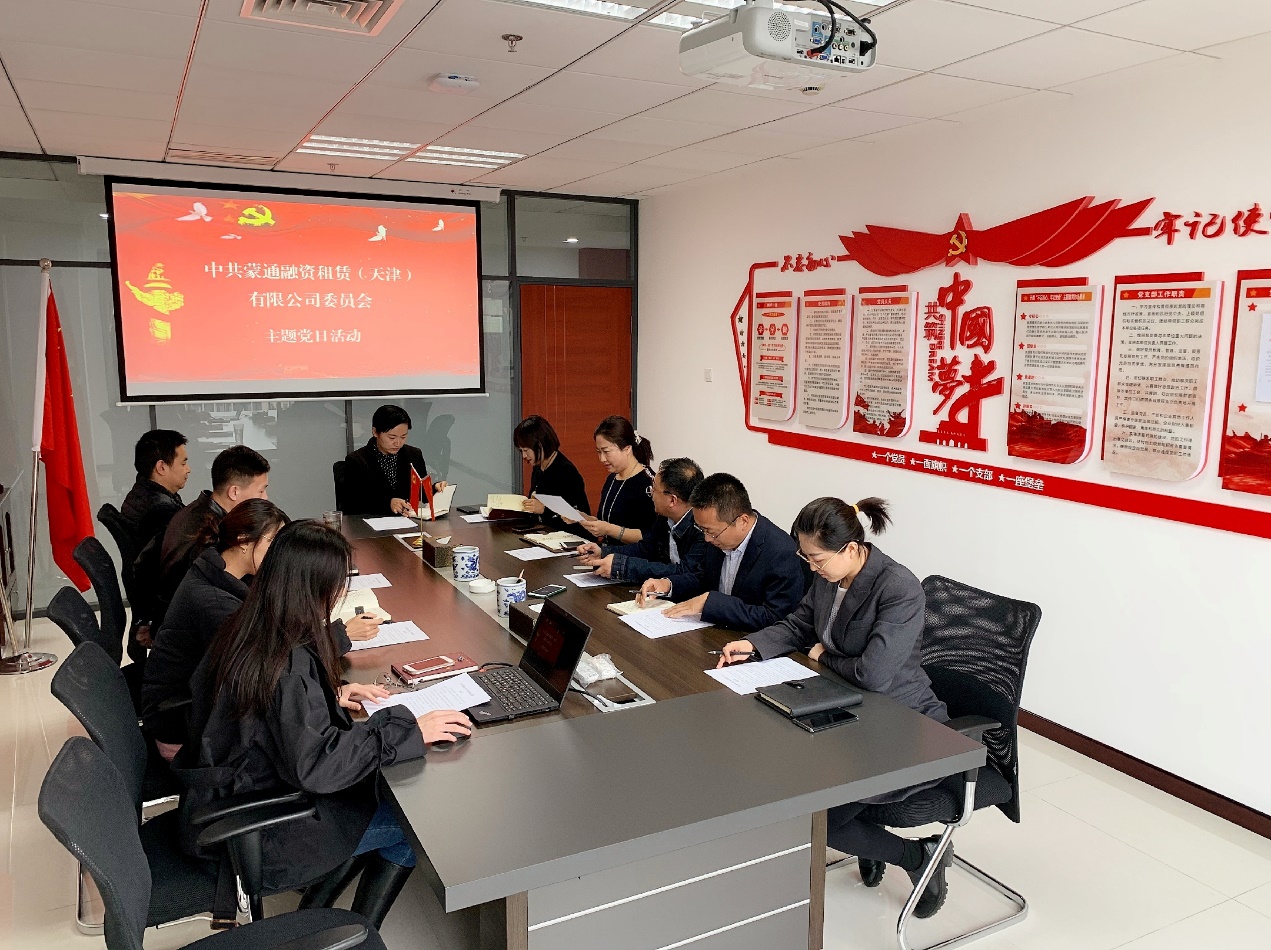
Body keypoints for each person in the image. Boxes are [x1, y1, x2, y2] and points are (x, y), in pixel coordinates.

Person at [176, 521, 472, 928]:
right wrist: (409, 730)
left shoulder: (249, 624)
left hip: (228, 794)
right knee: (408, 821)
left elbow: (264, 712)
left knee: (375, 789)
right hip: (262, 824)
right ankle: (356, 932)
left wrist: (327, 696)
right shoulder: (286, 663)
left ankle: (317, 911)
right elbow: (318, 766)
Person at [717, 497, 953, 919]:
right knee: (787, 774)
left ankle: (919, 857)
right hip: (849, 708)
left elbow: (874, 673)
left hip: (903, 724)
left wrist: (824, 656)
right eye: (805, 558)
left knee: (820, 816)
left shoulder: (898, 588)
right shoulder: (829, 575)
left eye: (817, 559)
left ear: (851, 548)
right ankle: (877, 841)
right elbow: (800, 624)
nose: (811, 568)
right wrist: (754, 645)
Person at [641, 473, 804, 632]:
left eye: (711, 532)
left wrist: (713, 603)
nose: (707, 539)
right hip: (713, 631)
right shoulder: (716, 536)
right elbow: (703, 577)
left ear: (742, 521)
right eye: (702, 529)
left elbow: (774, 618)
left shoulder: (781, 552)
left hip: (749, 640)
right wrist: (668, 585)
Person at [134, 445, 271, 630]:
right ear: (234, 492)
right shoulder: (212, 536)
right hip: (194, 628)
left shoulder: (193, 511)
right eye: (261, 491)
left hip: (171, 618)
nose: (265, 498)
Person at [576, 457, 718, 589]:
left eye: (654, 489)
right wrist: (603, 552)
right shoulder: (664, 517)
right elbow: (646, 548)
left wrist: (623, 567)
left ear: (672, 500)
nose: (651, 495)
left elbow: (684, 572)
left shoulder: (702, 528)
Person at [341, 405, 446, 517]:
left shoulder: (413, 455)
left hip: (407, 521)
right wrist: (388, 503)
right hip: (371, 523)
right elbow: (353, 503)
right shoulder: (357, 460)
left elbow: (420, 492)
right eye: (392, 437)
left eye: (403, 437)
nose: (398, 443)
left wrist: (435, 488)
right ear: (375, 432)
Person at [578, 416, 655, 543]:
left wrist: (609, 530)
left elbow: (651, 537)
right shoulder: (612, 478)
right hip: (607, 551)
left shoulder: (648, 483)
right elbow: (606, 522)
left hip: (630, 554)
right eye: (598, 452)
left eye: (606, 451)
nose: (602, 459)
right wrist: (582, 518)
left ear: (627, 449)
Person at [514, 415, 590, 530]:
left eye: (526, 450)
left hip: (571, 535)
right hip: (545, 531)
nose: (524, 456)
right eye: (521, 451)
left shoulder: (566, 471)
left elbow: (573, 515)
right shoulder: (538, 467)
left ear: (540, 445)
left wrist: (543, 509)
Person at [119, 429, 190, 551]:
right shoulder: (161, 512)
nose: (188, 469)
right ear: (161, 467)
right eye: (183, 464)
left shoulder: (141, 492)